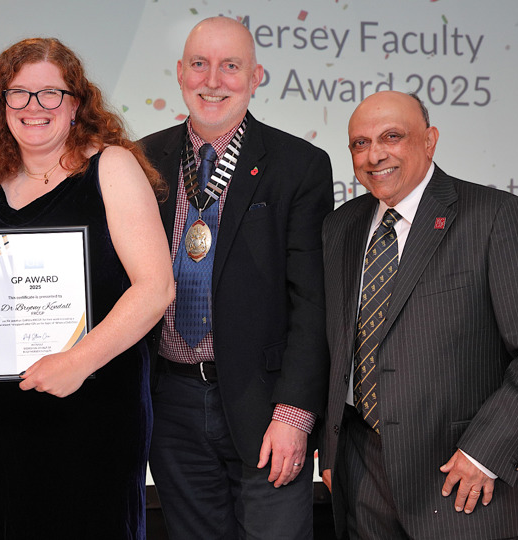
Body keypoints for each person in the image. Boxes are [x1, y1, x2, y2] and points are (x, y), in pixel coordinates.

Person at [0, 37, 174, 539]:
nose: (33, 107)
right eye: (18, 94)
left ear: (75, 104)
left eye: (50, 93)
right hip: (8, 417)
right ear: (0, 105)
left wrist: (77, 362)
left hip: (98, 408)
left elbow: (155, 289)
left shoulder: (110, 167)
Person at [318, 90, 518, 539]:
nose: (374, 154)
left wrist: (485, 454)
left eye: (391, 137)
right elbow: (336, 349)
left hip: (462, 479)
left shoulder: (493, 216)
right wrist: (332, 448)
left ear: (430, 140)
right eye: (360, 143)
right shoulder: (341, 227)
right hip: (362, 480)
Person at [139, 16, 333, 540]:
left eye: (231, 66)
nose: (212, 79)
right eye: (200, 64)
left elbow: (313, 303)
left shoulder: (299, 165)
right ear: (180, 73)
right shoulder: (141, 160)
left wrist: (294, 415)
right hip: (171, 404)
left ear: (255, 77)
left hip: (266, 405)